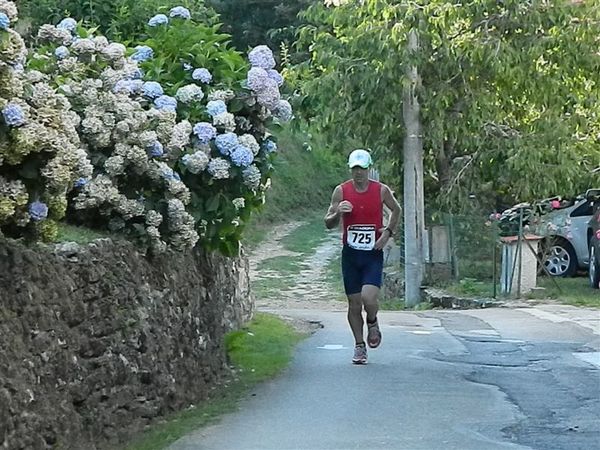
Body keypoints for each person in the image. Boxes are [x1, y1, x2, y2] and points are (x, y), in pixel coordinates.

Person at [324, 149, 401, 364]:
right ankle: (359, 345)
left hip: (372, 253)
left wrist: (387, 233)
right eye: (355, 168)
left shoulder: (381, 191)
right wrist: (338, 212)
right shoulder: (341, 191)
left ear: (369, 169)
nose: (358, 173)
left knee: (369, 298)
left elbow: (396, 210)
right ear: (351, 169)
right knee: (354, 303)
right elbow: (328, 222)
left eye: (362, 168)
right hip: (351, 254)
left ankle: (373, 321)